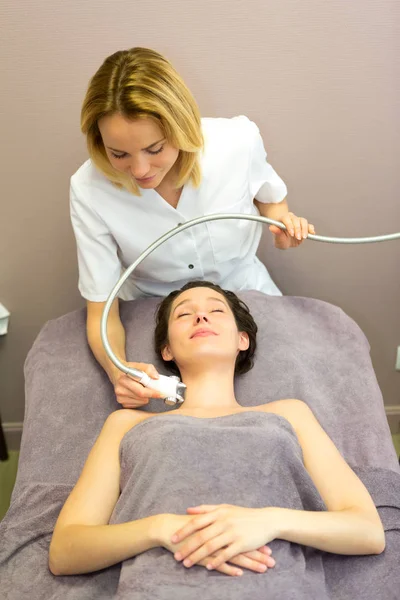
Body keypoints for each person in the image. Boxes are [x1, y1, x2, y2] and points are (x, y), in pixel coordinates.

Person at [49, 282, 385, 590]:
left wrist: (269, 521)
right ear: (167, 351)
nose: (200, 316)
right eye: (184, 314)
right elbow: (65, 551)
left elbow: (367, 530)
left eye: (216, 310)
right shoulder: (125, 424)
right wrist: (162, 529)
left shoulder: (288, 413)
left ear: (243, 339)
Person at [70, 47, 316, 409]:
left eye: (155, 148)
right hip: (153, 306)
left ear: (180, 126)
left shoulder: (236, 143)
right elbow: (100, 311)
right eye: (119, 154)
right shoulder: (90, 189)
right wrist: (118, 372)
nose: (139, 170)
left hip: (245, 287)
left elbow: (271, 202)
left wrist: (282, 226)